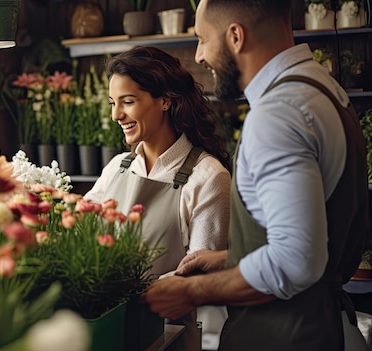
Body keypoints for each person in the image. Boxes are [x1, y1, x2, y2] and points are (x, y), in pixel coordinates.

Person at [139, 1, 370, 350]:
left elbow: (295, 263)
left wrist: (189, 291)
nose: (199, 55)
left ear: (235, 36)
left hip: (283, 337)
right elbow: (310, 234)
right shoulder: (322, 87)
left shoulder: (279, 114)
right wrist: (227, 260)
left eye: (203, 39)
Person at [84, 46, 231, 351]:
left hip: (168, 335)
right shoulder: (117, 167)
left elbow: (197, 275)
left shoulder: (208, 177)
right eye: (113, 103)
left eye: (128, 102)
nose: (116, 115)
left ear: (165, 100)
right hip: (114, 329)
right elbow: (83, 227)